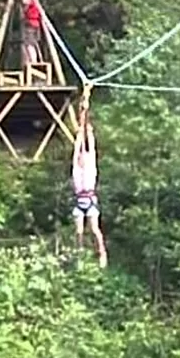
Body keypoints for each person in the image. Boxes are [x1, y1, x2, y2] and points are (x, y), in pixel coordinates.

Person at [71, 98, 106, 267]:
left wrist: (88, 131)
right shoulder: (76, 169)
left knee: (94, 229)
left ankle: (101, 253)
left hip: (90, 201)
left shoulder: (91, 167)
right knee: (78, 231)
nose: (81, 159)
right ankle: (79, 256)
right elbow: (78, 147)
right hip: (80, 202)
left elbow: (90, 147)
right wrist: (79, 132)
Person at [21, 0, 43, 67]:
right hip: (35, 24)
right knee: (31, 44)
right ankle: (31, 60)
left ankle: (32, 61)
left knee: (29, 44)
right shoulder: (36, 2)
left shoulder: (32, 0)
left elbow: (24, 1)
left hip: (31, 24)